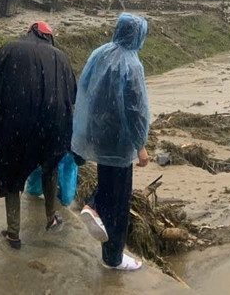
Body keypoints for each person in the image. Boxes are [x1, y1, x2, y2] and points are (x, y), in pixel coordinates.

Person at [0, 21, 77, 249]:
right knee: (49, 165)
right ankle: (51, 218)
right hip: (51, 125)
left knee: (11, 170)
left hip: (16, 122)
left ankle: (13, 233)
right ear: (48, 37)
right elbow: (72, 95)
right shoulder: (61, 58)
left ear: (30, 33)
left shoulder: (8, 49)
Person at [72, 13, 151, 271]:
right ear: (137, 35)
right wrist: (141, 145)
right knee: (119, 201)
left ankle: (95, 206)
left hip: (99, 133)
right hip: (120, 140)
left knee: (109, 183)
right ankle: (113, 257)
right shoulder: (131, 64)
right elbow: (136, 109)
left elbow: (84, 88)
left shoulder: (101, 54)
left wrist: (85, 129)